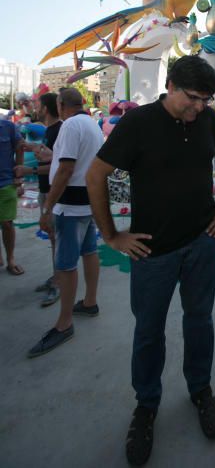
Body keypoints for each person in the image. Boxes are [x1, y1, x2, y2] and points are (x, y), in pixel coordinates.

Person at [86, 55, 215, 467]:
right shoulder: (139, 123)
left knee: (200, 320)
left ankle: (200, 390)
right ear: (170, 86)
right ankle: (146, 406)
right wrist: (111, 235)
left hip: (201, 245)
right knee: (149, 331)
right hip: (152, 253)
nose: (199, 107)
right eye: (192, 98)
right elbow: (96, 175)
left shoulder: (207, 120)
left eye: (206, 100)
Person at [28, 88, 103, 358]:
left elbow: (67, 169)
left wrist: (48, 207)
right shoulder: (91, 125)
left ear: (60, 105)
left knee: (66, 263)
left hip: (70, 205)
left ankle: (64, 323)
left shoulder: (70, 125)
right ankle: (90, 302)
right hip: (88, 201)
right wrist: (52, 157)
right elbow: (77, 162)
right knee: (89, 251)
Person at [15, 92, 62, 306]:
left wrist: (28, 169)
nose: (35, 107)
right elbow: (46, 153)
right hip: (45, 191)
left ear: (45, 108)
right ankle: (57, 276)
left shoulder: (58, 131)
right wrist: (30, 146)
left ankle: (60, 283)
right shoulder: (49, 130)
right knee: (53, 238)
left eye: (38, 105)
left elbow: (59, 165)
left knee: (58, 239)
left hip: (54, 193)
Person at [0, 117, 24, 275]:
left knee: (7, 223)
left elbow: (20, 147)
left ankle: (10, 259)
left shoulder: (8, 127)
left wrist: (18, 175)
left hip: (6, 182)